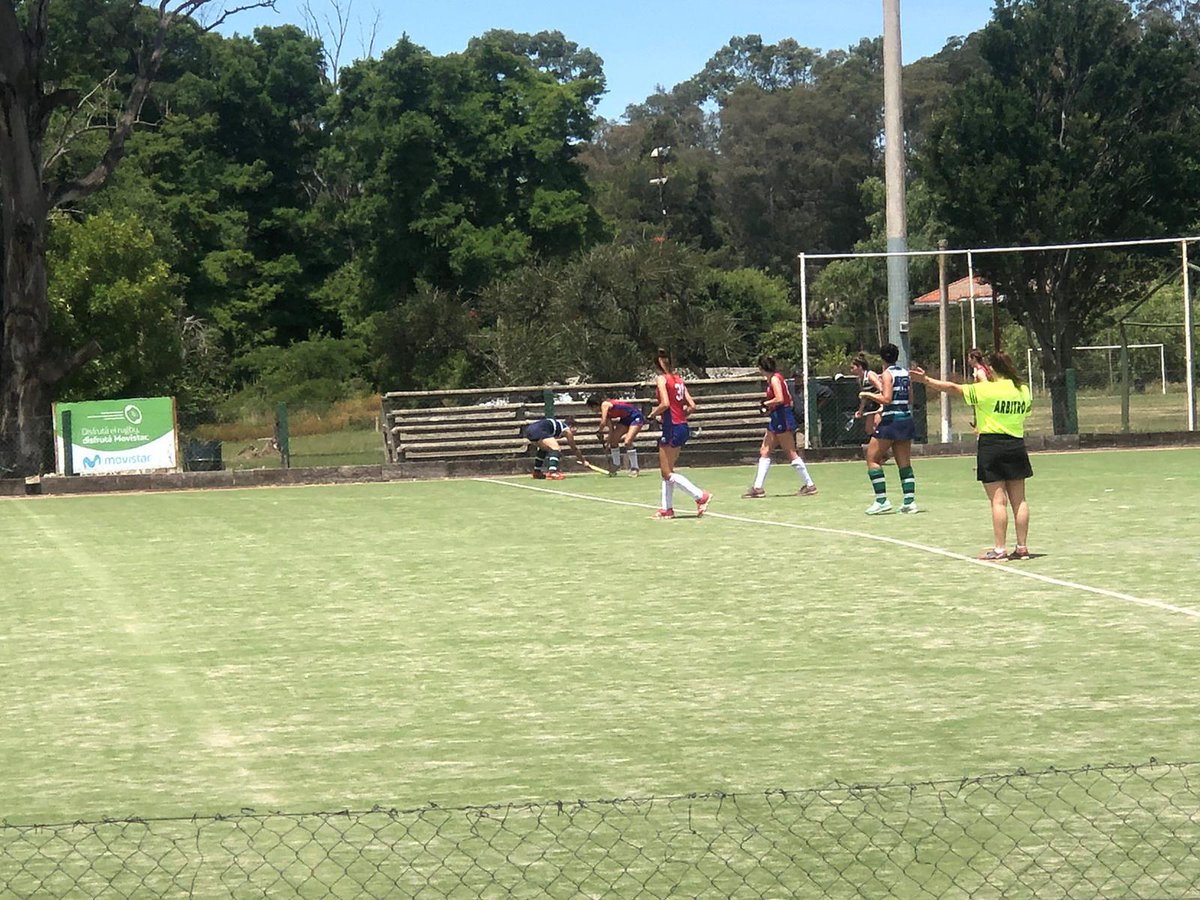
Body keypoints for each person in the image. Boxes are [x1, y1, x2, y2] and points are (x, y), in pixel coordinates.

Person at [911, 350, 1034, 561]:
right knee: (1019, 500)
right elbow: (1025, 413)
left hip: (992, 445)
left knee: (998, 501)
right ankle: (1022, 547)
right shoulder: (1023, 389)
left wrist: (926, 380)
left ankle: (999, 549)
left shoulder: (986, 389)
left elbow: (952, 388)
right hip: (1016, 445)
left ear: (992, 369)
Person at [646, 348, 712, 519]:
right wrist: (681, 415)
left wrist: (652, 415)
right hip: (682, 425)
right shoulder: (679, 380)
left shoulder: (661, 379)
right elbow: (692, 406)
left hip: (671, 427)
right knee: (668, 471)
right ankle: (667, 508)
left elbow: (665, 404)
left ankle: (700, 496)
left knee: (666, 472)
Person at [743, 355, 817, 498]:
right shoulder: (774, 378)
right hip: (777, 416)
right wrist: (770, 409)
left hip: (782, 417)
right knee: (765, 450)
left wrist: (766, 404)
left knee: (790, 452)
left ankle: (810, 485)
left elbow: (780, 399)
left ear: (762, 368)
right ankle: (758, 488)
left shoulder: (775, 379)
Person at [857, 343, 917, 515]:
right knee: (904, 463)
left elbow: (887, 398)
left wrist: (867, 395)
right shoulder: (905, 373)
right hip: (906, 419)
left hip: (891, 422)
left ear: (882, 358)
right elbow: (911, 399)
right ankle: (909, 501)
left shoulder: (887, 374)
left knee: (872, 458)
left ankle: (881, 500)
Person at [586, 394, 644, 476]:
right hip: (625, 419)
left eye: (591, 408)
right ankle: (616, 465)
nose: (592, 410)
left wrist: (599, 431)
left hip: (635, 416)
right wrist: (607, 445)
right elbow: (611, 430)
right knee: (614, 441)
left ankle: (635, 468)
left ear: (595, 405)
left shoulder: (604, 404)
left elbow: (602, 423)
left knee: (627, 441)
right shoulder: (607, 414)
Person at [523, 416, 588, 480]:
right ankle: (552, 472)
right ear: (571, 426)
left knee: (545, 449)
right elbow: (574, 448)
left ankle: (537, 472)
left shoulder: (559, 426)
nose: (575, 431)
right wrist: (583, 461)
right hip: (538, 430)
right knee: (556, 448)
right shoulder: (567, 430)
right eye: (576, 428)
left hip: (529, 430)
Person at [850, 353, 884, 442]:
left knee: (877, 427)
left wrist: (882, 406)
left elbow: (882, 389)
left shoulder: (870, 375)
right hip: (871, 406)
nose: (851, 370)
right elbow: (864, 396)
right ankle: (882, 454)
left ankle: (882, 451)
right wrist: (860, 410)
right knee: (869, 429)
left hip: (880, 405)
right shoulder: (860, 379)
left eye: (852, 367)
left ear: (860, 367)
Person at [966, 348, 992, 431]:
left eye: (969, 358)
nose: (968, 361)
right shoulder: (985, 369)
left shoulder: (980, 372)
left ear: (974, 358)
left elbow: (986, 387)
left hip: (983, 406)